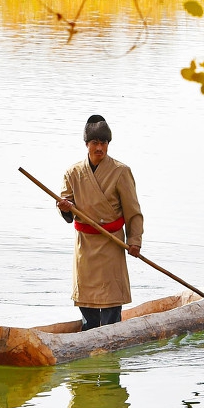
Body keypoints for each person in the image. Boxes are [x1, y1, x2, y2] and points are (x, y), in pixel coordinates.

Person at [55, 115, 144, 331]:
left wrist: (135, 241)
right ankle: (89, 332)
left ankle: (112, 333)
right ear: (87, 144)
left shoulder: (121, 171)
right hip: (85, 244)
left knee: (112, 299)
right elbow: (66, 203)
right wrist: (64, 207)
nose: (99, 148)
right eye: (95, 142)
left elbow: (134, 211)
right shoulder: (73, 173)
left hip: (111, 242)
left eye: (103, 143)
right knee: (87, 298)